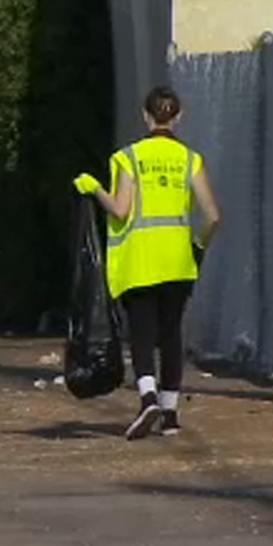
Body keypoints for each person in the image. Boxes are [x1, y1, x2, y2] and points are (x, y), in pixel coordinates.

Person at [74, 86, 221, 440]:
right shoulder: (190, 159)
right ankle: (170, 415)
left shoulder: (129, 158)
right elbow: (213, 215)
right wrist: (197, 247)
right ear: (179, 116)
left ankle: (147, 398)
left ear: (145, 115)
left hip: (140, 261)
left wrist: (94, 188)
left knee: (142, 333)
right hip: (178, 260)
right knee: (171, 333)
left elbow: (120, 210)